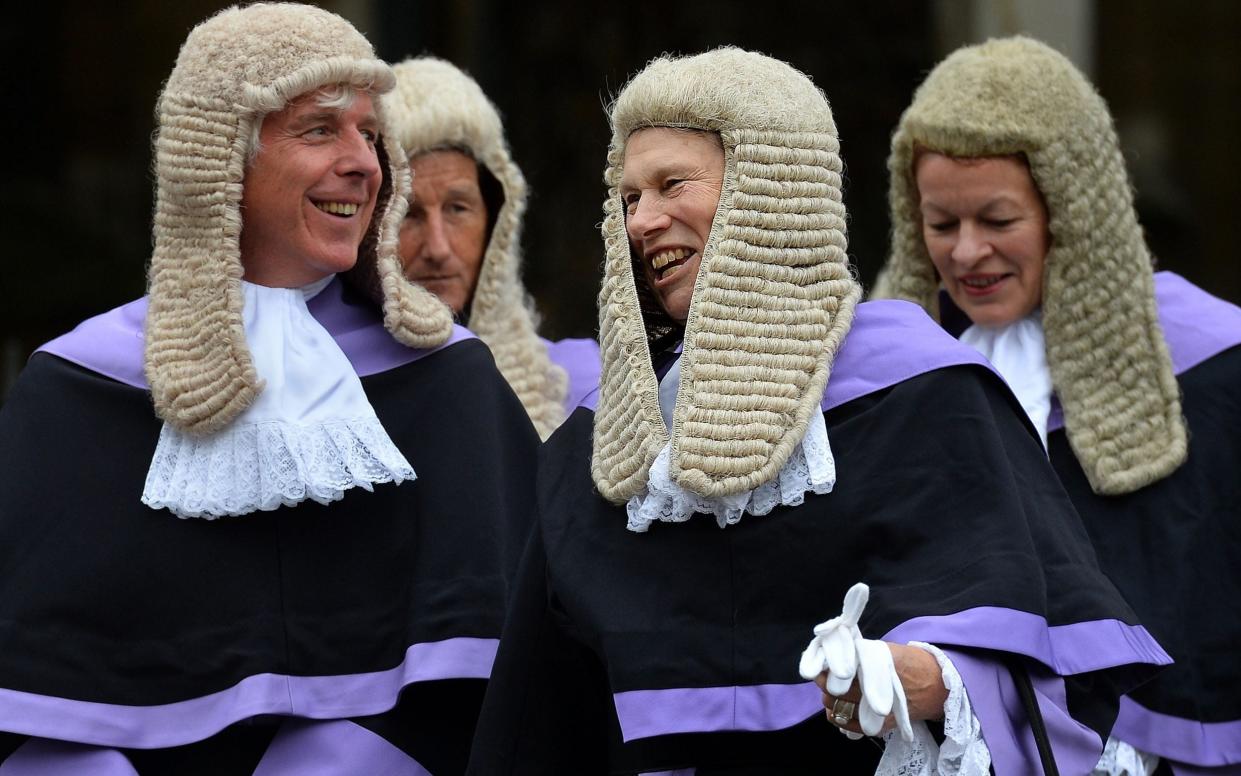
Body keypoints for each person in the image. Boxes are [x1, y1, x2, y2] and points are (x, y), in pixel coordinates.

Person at [467, 47, 1171, 776]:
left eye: (671, 184)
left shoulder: (924, 392)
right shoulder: (598, 443)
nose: (642, 220)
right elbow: (539, 719)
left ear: (767, 189)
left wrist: (925, 678)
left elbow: (1043, 646)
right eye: (628, 198)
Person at [0, 5, 537, 773]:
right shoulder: (77, 386)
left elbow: (507, 684)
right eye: (320, 130)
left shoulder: (450, 381)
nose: (365, 161)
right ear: (220, 162)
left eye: (369, 132)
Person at [872, 36, 1241, 775]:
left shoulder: (1212, 363)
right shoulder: (894, 367)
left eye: (998, 220)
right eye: (940, 225)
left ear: (1074, 212)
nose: (967, 253)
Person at [386, 57, 601, 438]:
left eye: (457, 208)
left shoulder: (579, 386)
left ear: (496, 218)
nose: (437, 247)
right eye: (409, 213)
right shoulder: (339, 387)